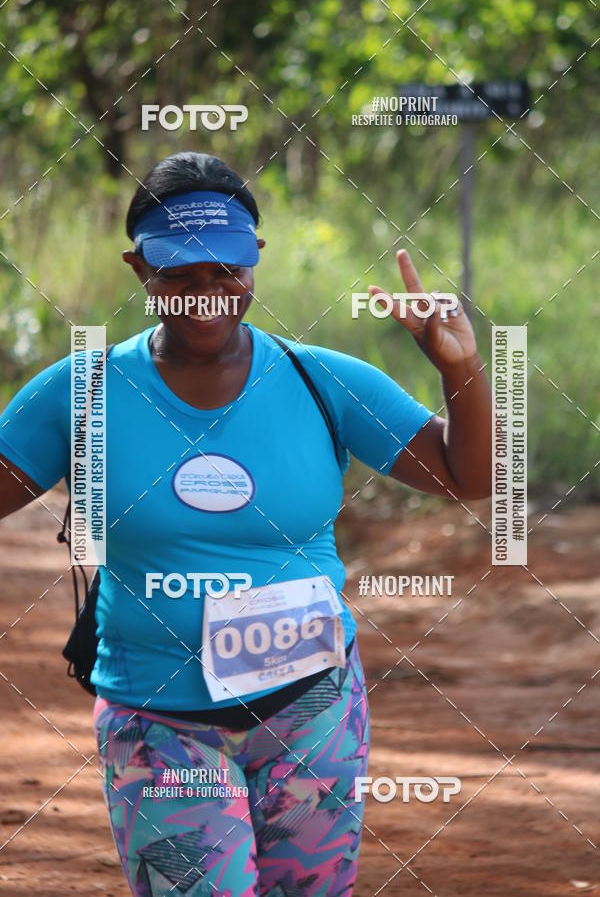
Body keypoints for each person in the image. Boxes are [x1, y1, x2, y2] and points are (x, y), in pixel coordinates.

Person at [0, 151, 492, 895]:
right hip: (159, 720)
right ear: (139, 269)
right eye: (180, 275)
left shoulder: (320, 380)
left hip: (313, 710)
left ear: (255, 258)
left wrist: (461, 369)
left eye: (227, 270)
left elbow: (473, 479)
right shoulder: (84, 389)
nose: (207, 294)